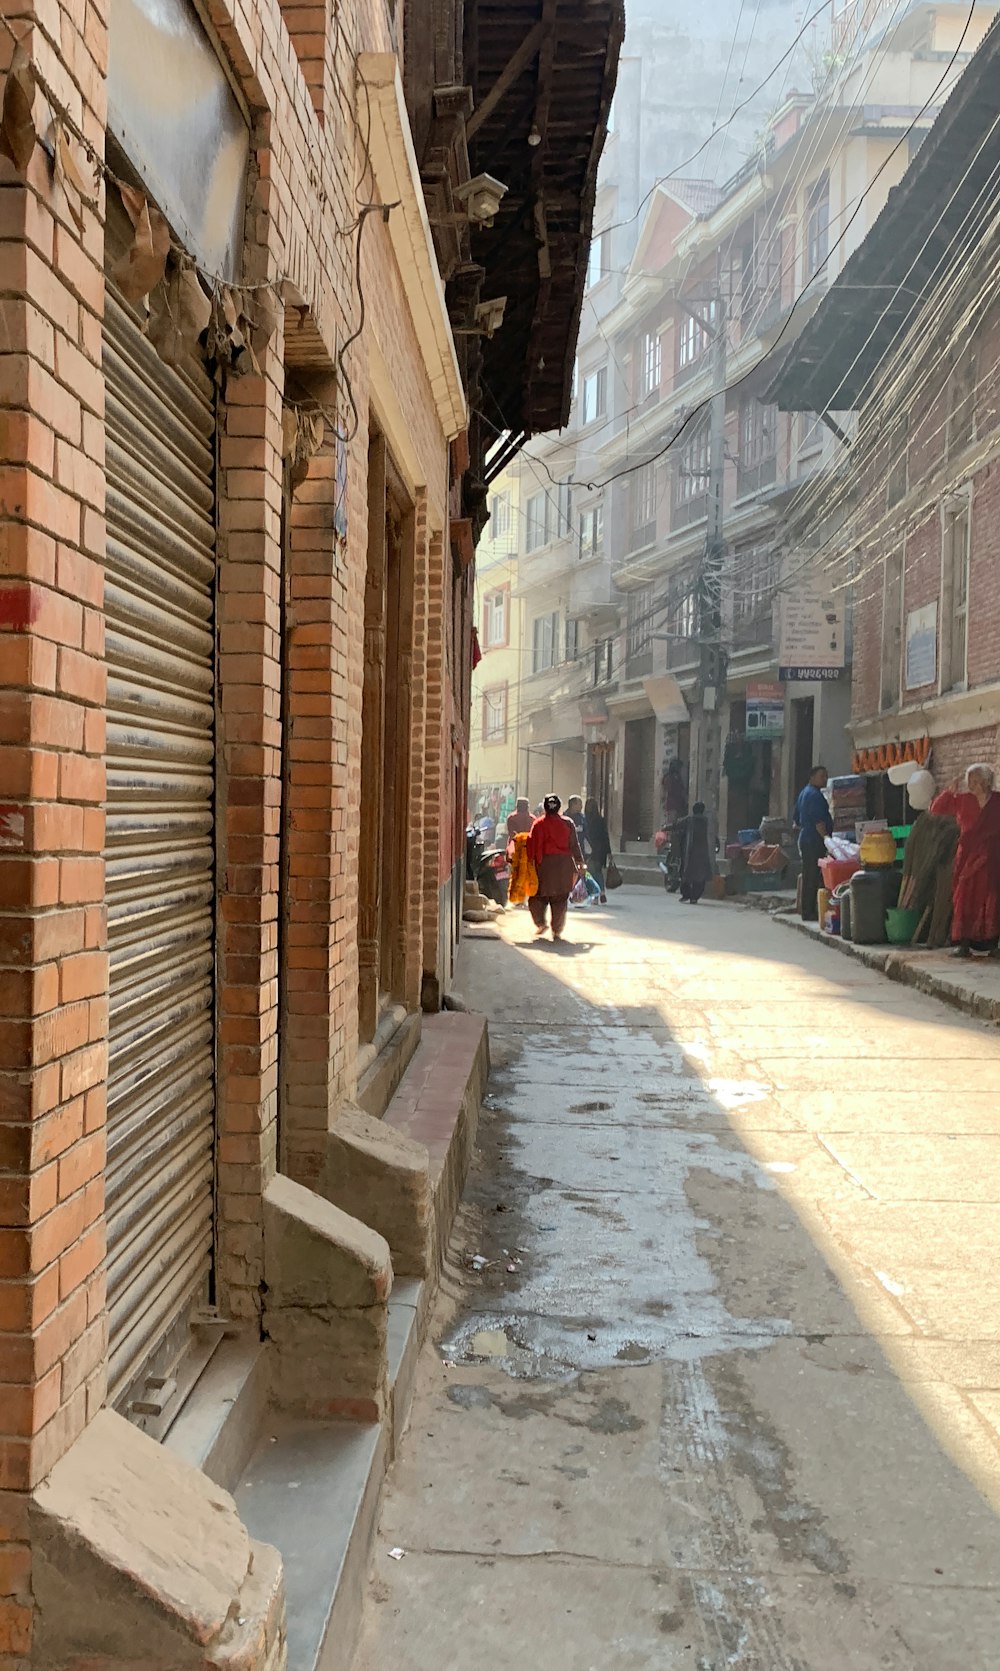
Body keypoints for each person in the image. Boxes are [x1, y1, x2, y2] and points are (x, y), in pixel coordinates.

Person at [930, 764, 1000, 957]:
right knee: (964, 897)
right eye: (970, 781)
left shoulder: (997, 801)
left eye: (975, 781)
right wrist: (948, 792)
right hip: (968, 857)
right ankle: (963, 942)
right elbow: (936, 809)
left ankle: (992, 943)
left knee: (991, 899)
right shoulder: (963, 800)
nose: (971, 785)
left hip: (992, 857)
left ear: (986, 782)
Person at [527, 793, 584, 940]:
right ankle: (556, 930)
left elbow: (531, 846)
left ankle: (540, 923)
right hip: (563, 867)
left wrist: (527, 865)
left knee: (536, 898)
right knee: (560, 899)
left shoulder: (538, 824)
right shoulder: (568, 823)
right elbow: (574, 845)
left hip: (543, 867)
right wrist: (580, 862)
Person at [793, 765, 831, 923]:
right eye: (822, 776)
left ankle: (807, 910)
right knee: (812, 877)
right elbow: (819, 822)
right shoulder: (814, 796)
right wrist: (827, 839)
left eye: (826, 776)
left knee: (809, 875)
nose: (825, 779)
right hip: (813, 841)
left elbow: (796, 820)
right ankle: (809, 912)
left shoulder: (803, 793)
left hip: (805, 839)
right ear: (812, 777)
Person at [675, 801, 713, 903]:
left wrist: (666, 827)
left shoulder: (690, 819)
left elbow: (677, 824)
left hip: (690, 851)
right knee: (700, 877)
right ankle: (694, 897)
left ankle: (686, 895)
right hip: (703, 852)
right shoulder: (705, 820)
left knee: (685, 874)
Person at [584, 797, 612, 902]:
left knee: (591, 873)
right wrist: (609, 852)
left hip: (590, 850)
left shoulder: (585, 820)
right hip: (600, 851)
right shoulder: (600, 820)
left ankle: (595, 895)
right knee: (598, 872)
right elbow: (605, 836)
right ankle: (602, 892)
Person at [664, 758, 688, 827]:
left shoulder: (678, 778)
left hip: (679, 805)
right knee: (672, 825)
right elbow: (669, 790)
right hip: (673, 805)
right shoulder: (669, 778)